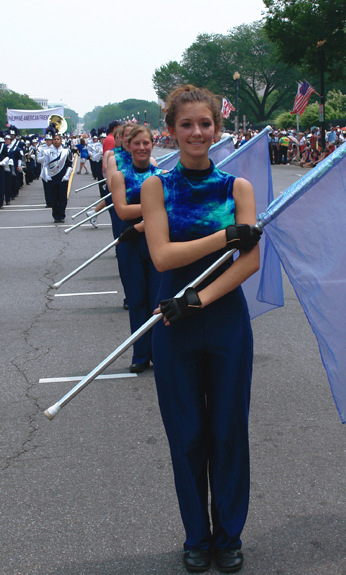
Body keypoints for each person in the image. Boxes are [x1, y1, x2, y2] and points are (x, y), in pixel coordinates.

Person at [141, 85, 261, 574]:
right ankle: (197, 534)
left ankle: (229, 534)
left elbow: (248, 261)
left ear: (218, 129)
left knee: (229, 430)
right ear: (170, 131)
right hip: (173, 321)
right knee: (187, 433)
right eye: (186, 125)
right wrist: (224, 235)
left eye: (205, 124)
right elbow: (163, 255)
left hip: (223, 316)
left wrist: (201, 297)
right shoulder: (156, 187)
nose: (196, 132)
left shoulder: (238, 189)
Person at [110, 125, 163, 372]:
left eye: (146, 143)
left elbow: (170, 209)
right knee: (137, 300)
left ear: (152, 145)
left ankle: (160, 352)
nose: (142, 148)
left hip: (156, 241)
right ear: (129, 146)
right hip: (129, 244)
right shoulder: (121, 175)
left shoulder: (162, 174)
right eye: (137, 144)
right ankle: (140, 355)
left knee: (157, 300)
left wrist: (144, 218)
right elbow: (122, 210)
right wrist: (154, 206)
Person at [42, 133, 73, 222]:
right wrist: (46, 175)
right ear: (52, 140)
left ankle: (62, 215)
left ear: (61, 140)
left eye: (58, 139)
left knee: (62, 198)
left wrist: (67, 175)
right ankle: (56, 216)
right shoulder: (48, 152)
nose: (56, 141)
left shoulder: (66, 151)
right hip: (52, 178)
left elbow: (69, 165)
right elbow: (45, 165)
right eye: (54, 139)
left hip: (63, 178)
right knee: (54, 198)